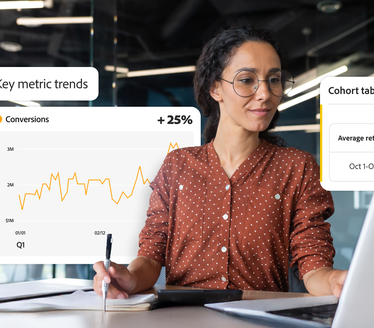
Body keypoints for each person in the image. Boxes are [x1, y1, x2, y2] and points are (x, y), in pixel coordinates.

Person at [93, 25, 347, 299]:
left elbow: (313, 264)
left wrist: (336, 281)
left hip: (259, 320)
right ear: (216, 88)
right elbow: (151, 258)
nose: (265, 93)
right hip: (184, 320)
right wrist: (128, 278)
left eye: (273, 80)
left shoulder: (296, 168)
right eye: (247, 79)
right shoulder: (178, 166)